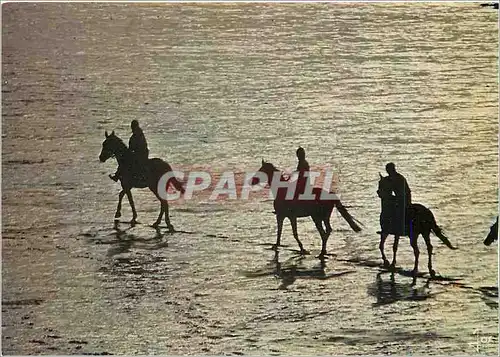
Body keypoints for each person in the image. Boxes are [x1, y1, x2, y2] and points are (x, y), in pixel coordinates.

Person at [385, 162, 412, 234]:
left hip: (404, 198)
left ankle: (400, 228)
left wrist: (395, 198)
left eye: (388, 170)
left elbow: (402, 193)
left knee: (397, 210)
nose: (387, 172)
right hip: (399, 198)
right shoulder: (392, 178)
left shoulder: (399, 178)